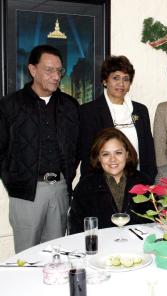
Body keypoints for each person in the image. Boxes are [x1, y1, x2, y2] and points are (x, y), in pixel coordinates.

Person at [0, 45, 79, 252]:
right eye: (49, 70)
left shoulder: (70, 105)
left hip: (60, 188)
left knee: (56, 253)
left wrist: (67, 177)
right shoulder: (10, 105)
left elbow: (77, 147)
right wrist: (14, 180)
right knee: (27, 256)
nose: (56, 76)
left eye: (59, 71)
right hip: (26, 192)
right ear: (33, 70)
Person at [78, 55, 156, 180]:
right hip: (102, 183)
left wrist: (150, 182)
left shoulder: (140, 110)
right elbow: (87, 154)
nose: (121, 84)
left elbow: (148, 152)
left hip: (138, 182)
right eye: (116, 78)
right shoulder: (89, 111)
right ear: (105, 80)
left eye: (126, 79)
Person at [70, 128, 153, 234]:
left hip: (137, 245)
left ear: (127, 154)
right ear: (99, 158)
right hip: (100, 247)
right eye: (106, 154)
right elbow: (76, 230)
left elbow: (153, 224)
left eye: (118, 153)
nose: (112, 159)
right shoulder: (85, 187)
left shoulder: (144, 182)